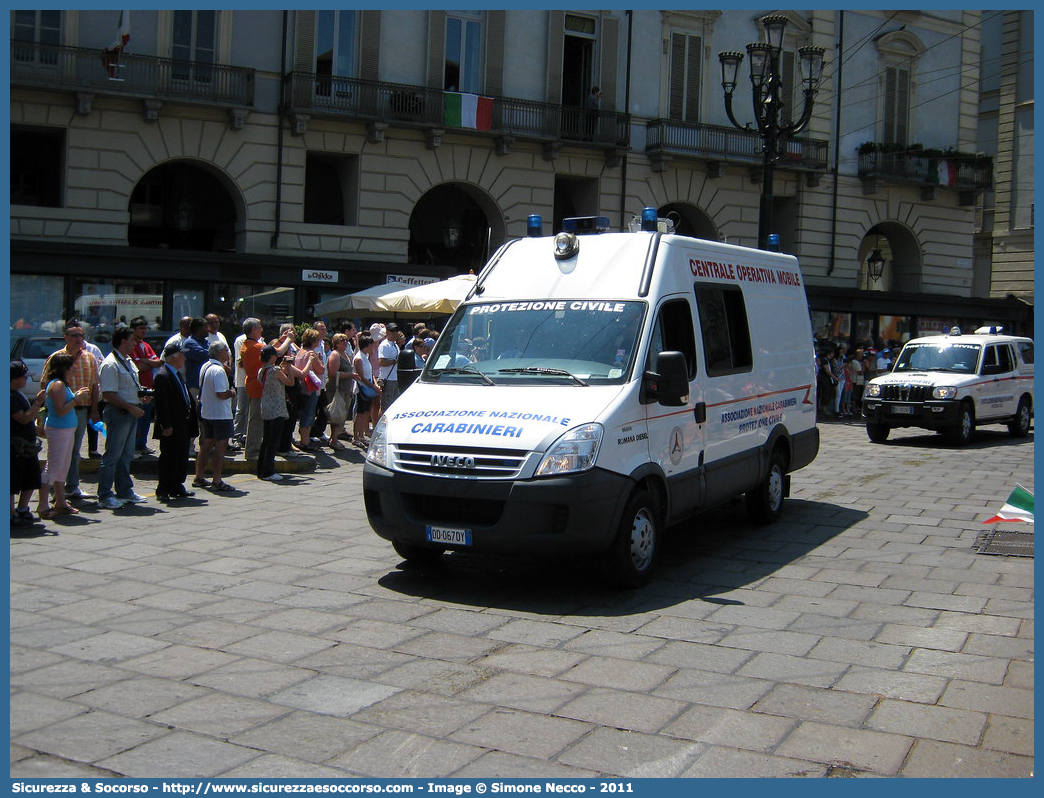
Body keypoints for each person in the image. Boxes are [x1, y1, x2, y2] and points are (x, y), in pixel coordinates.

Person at [42, 321, 100, 502]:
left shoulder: (89, 357)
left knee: (74, 452)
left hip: (81, 411)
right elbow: (45, 384)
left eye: (81, 335)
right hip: (62, 413)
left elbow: (94, 385)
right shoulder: (57, 358)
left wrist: (94, 409)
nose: (78, 339)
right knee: (58, 453)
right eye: (74, 335)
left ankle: (72, 487)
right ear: (65, 337)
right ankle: (53, 491)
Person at [97, 326, 150, 509]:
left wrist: (141, 397)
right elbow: (108, 394)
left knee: (126, 455)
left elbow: (131, 386)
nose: (135, 343)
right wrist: (129, 406)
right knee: (112, 455)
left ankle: (125, 491)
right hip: (119, 413)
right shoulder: (111, 364)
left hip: (131, 411)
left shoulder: (127, 361)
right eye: (132, 340)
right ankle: (105, 495)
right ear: (123, 341)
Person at [37, 353, 92, 518]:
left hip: (66, 429)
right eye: (72, 365)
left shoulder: (62, 384)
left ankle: (60, 502)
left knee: (63, 467)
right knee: (53, 466)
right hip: (59, 429)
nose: (75, 368)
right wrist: (76, 399)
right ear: (64, 368)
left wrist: (75, 397)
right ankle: (43, 505)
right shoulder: (58, 385)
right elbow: (61, 410)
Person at [152, 343, 198, 501]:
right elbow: (162, 404)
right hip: (172, 425)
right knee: (168, 457)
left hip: (183, 424)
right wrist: (166, 425)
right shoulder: (162, 376)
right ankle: (163, 488)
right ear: (173, 357)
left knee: (181, 456)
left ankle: (177, 485)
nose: (184, 358)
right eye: (181, 355)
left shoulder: (177, 374)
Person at [194, 342, 235, 492]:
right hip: (220, 414)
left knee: (206, 444)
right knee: (220, 446)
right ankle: (217, 479)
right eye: (226, 350)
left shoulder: (205, 366)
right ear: (219, 353)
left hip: (207, 412)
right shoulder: (218, 370)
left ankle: (199, 476)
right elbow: (221, 393)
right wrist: (231, 392)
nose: (227, 353)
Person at [11, 360, 45, 526]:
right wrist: (37, 403)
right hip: (15, 446)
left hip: (27, 445)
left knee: (31, 478)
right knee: (12, 481)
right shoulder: (10, 396)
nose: (26, 380)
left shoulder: (18, 393)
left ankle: (23, 509)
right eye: (24, 377)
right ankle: (10, 514)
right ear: (15, 379)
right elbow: (23, 419)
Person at [257, 345, 297, 482]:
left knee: (266, 441)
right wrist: (290, 367)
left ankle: (261, 469)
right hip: (277, 409)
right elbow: (290, 382)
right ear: (271, 357)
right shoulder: (275, 370)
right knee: (273, 442)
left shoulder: (262, 371)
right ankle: (268, 471)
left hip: (266, 408)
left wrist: (283, 365)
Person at [130, 316, 162, 458]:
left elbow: (158, 362)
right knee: (137, 420)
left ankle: (142, 445)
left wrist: (146, 361)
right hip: (137, 389)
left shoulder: (146, 345)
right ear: (133, 330)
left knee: (146, 419)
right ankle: (134, 447)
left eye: (145, 328)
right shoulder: (132, 345)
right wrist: (147, 363)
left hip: (149, 388)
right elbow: (139, 367)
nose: (144, 331)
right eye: (140, 328)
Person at [294, 327, 326, 452]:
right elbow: (321, 370)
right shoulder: (311, 354)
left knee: (304, 414)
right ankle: (305, 441)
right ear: (313, 341)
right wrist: (319, 359)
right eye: (318, 339)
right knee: (309, 415)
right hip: (310, 388)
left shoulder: (300, 352)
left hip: (301, 388)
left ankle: (304, 439)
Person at [325, 333, 354, 450]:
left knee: (342, 414)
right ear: (336, 342)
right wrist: (350, 375)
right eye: (342, 340)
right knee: (336, 414)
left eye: (347, 340)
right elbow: (333, 373)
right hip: (336, 389)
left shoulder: (345, 354)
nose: (345, 342)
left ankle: (336, 436)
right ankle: (333, 439)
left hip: (346, 389)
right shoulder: (335, 354)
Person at [351, 333, 380, 447]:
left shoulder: (365, 357)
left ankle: (361, 435)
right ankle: (356, 436)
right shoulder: (358, 358)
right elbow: (361, 376)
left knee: (366, 412)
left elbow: (371, 374)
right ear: (366, 346)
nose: (372, 348)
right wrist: (372, 386)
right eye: (370, 346)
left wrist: (375, 384)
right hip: (361, 389)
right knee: (360, 413)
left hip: (369, 387)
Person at [378, 322, 403, 413]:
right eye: (392, 331)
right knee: (385, 406)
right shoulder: (384, 345)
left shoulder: (395, 345)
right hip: (388, 379)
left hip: (395, 378)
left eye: (396, 331)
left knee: (394, 405)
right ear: (387, 332)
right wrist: (395, 361)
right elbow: (381, 362)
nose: (395, 333)